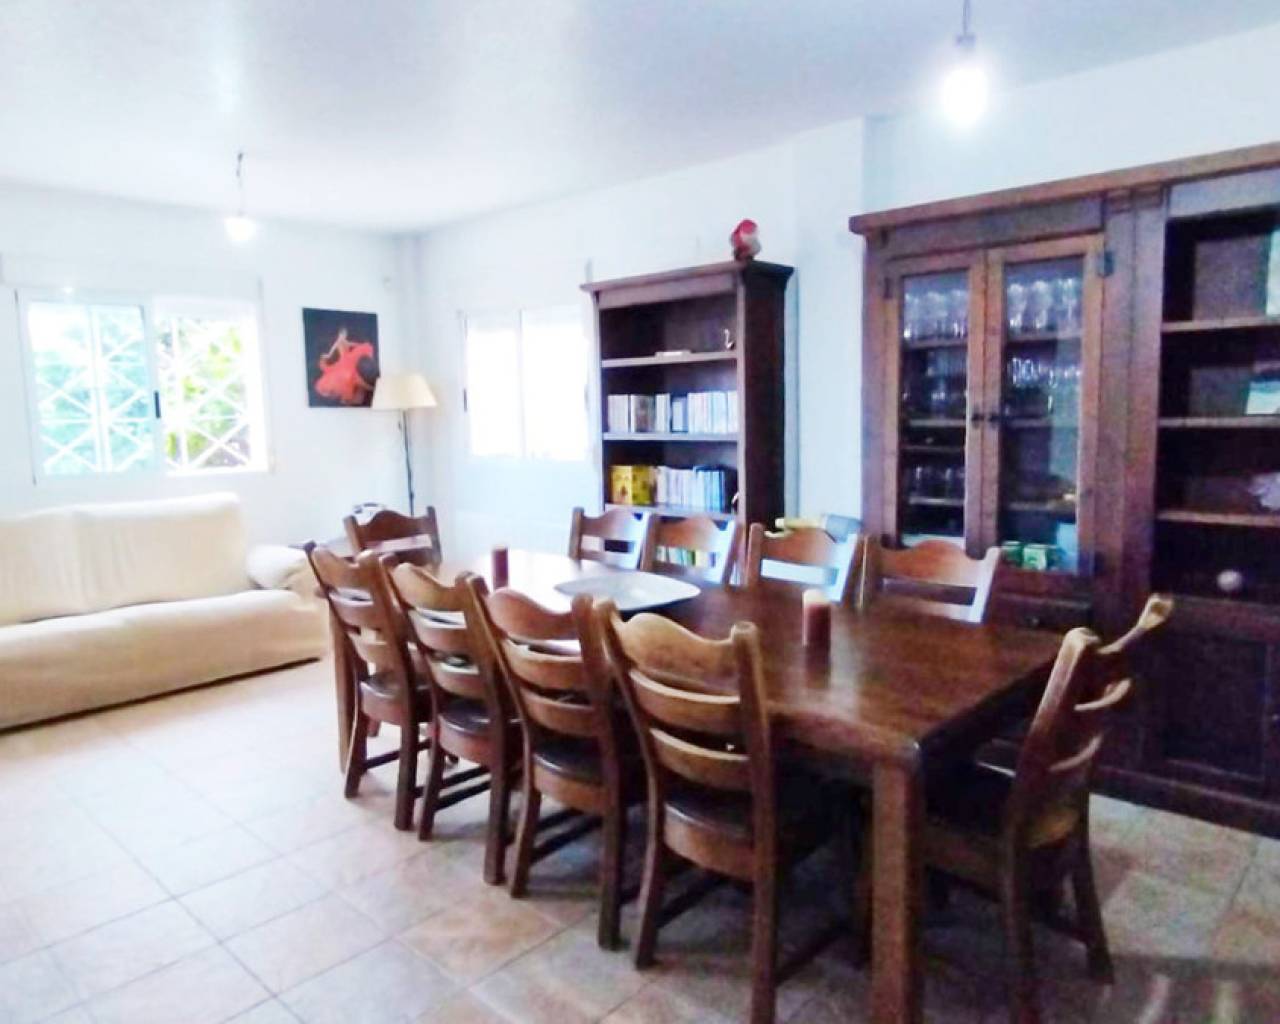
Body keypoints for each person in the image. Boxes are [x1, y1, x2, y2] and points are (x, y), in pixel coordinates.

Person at [314, 327, 377, 405]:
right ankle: (349, 397)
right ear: (339, 335)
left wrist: (361, 345)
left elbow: (352, 344)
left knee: (352, 377)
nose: (343, 336)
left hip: (348, 360)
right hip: (344, 362)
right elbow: (332, 350)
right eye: (342, 334)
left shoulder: (345, 342)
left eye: (344, 334)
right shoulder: (338, 342)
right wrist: (327, 355)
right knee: (348, 377)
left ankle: (358, 394)